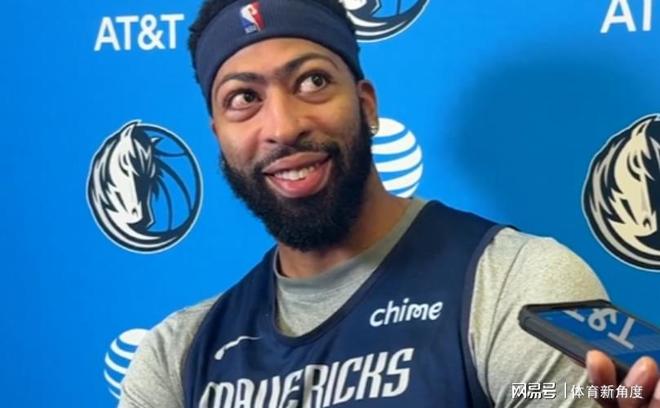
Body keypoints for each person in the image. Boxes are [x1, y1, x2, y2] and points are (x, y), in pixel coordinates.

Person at [119, 0, 660, 407]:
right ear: (219, 135)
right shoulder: (176, 357)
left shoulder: (516, 286)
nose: (282, 126)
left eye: (312, 81)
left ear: (366, 104)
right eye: (244, 98)